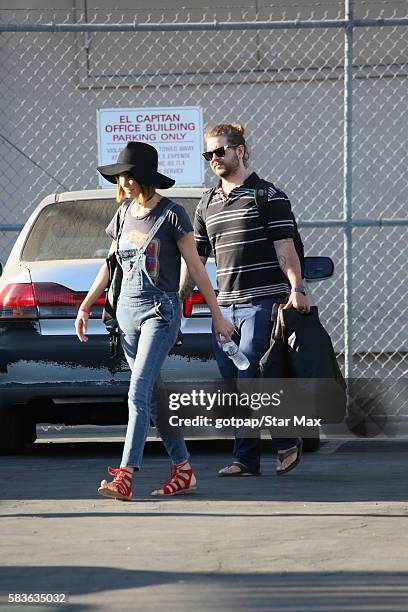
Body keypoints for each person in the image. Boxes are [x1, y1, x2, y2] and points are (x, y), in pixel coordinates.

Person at [75, 141, 234, 501]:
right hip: (126, 315)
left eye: (130, 175)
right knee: (157, 397)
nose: (125, 182)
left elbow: (196, 267)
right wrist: (86, 305)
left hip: (159, 314)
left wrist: (217, 314)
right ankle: (183, 469)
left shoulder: (173, 214)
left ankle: (125, 474)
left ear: (146, 177)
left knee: (137, 392)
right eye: (120, 176)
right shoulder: (123, 214)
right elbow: (110, 265)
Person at [180, 123, 310, 477]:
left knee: (250, 374)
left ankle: (285, 441)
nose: (214, 159)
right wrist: (181, 297)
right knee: (234, 382)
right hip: (224, 309)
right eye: (209, 154)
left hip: (262, 303)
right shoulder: (207, 203)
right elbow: (196, 259)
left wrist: (297, 289)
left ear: (240, 150)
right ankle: (246, 459)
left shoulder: (269, 196)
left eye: (220, 151)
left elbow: (285, 250)